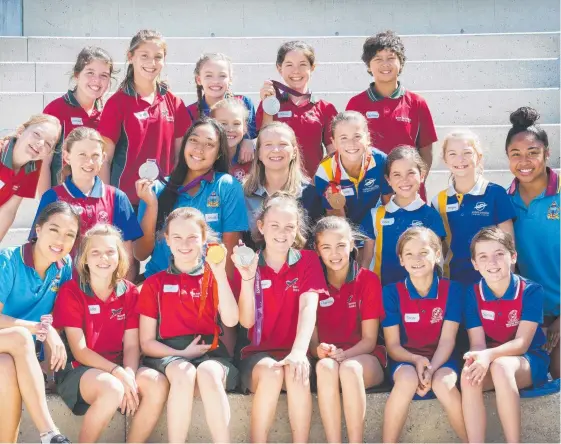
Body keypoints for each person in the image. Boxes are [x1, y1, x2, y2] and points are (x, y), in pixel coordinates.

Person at [52, 224, 167, 443]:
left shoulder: (130, 292)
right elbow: (80, 351)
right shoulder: (71, 291)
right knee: (112, 388)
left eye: (110, 251)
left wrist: (130, 376)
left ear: (119, 256)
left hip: (118, 368)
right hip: (79, 369)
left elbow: (132, 346)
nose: (103, 258)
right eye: (95, 252)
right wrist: (118, 373)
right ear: (84, 258)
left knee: (156, 382)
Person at [137, 207, 239, 443]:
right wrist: (181, 353)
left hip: (210, 354)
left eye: (193, 237)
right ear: (167, 241)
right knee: (183, 374)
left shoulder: (214, 277)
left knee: (207, 372)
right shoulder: (154, 284)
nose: (185, 244)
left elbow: (232, 320)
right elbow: (147, 343)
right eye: (177, 238)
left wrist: (219, 273)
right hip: (167, 355)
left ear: (204, 239)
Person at [234, 193, 327, 442]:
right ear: (262, 227)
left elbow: (309, 308)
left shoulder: (308, 261)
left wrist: (298, 352)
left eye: (289, 227)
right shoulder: (250, 263)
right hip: (255, 356)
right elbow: (246, 321)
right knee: (273, 372)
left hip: (293, 352)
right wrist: (246, 277)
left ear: (297, 229)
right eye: (275, 226)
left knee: (296, 374)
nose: (282, 233)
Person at [0, 201, 79, 443]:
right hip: (16, 339)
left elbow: (58, 317)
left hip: (13, 353)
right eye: (54, 230)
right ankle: (50, 433)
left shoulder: (64, 268)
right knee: (21, 336)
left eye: (69, 235)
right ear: (38, 230)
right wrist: (37, 329)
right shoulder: (8, 259)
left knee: (5, 366)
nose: (60, 240)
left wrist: (51, 331)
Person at [462, 227, 549, 443]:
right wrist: (479, 358)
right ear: (474, 264)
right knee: (468, 374)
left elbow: (521, 344)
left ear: (513, 256)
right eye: (483, 256)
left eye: (499, 254)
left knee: (502, 367)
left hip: (528, 361)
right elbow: (477, 343)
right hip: (491, 359)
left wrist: (488, 356)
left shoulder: (531, 291)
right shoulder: (472, 293)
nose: (492, 262)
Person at [135, 118, 248, 280]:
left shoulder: (227, 186)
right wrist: (152, 205)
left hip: (206, 287)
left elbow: (230, 252)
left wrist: (223, 299)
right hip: (160, 285)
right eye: (193, 140)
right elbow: (140, 253)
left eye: (209, 144)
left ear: (219, 154)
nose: (199, 149)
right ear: (184, 145)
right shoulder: (156, 188)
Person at [382, 227, 467, 443]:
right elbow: (392, 346)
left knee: (444, 384)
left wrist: (431, 369)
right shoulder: (391, 293)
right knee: (407, 379)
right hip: (407, 359)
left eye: (424, 252)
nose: (416, 259)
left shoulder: (453, 290)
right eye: (409, 253)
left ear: (437, 255)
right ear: (401, 260)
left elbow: (448, 339)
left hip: (442, 359)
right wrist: (416, 360)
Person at [312, 216, 385, 443]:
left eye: (341, 245)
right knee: (324, 366)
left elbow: (369, 340)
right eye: (326, 247)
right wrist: (320, 351)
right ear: (317, 250)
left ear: (352, 244)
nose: (335, 254)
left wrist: (344, 355)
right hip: (330, 361)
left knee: (350, 368)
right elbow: (312, 343)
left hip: (364, 357)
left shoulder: (368, 280)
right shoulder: (311, 283)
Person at [31, 127, 142, 277]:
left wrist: (123, 294)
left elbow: (127, 258)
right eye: (82, 154)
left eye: (95, 155)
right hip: (61, 287)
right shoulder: (52, 197)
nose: (89, 162)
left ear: (103, 158)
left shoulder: (117, 198)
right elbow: (37, 248)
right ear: (67, 156)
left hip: (104, 288)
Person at [98, 29, 189, 208]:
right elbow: (104, 159)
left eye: (158, 56)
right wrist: (106, 202)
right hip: (125, 202)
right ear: (130, 57)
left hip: (163, 200)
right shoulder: (116, 103)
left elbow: (180, 158)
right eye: (144, 55)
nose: (151, 62)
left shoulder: (174, 102)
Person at [346, 30, 438, 201]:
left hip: (406, 190)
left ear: (401, 63)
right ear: (368, 66)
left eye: (391, 58)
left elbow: (426, 150)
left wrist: (414, 181)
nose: (385, 64)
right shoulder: (356, 104)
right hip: (369, 189)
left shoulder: (417, 102)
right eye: (378, 59)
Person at [505, 106, 560, 380]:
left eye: (533, 153)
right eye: (516, 154)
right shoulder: (503, 202)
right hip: (531, 313)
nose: (524, 161)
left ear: (547, 153)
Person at [432, 129, 516, 285]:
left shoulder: (496, 193)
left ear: (479, 157)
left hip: (492, 281)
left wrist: (507, 282)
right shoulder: (439, 201)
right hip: (454, 282)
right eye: (452, 154)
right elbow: (440, 248)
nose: (460, 159)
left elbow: (509, 243)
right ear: (445, 160)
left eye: (467, 153)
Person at [361, 146, 445, 285]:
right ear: (388, 180)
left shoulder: (431, 216)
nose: (404, 180)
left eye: (410, 173)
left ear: (422, 175)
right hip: (383, 294)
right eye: (397, 174)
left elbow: (436, 259)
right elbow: (366, 260)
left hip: (419, 295)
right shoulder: (375, 216)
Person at [257, 40, 338, 176]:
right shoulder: (270, 103)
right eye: (289, 65)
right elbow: (264, 141)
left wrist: (325, 177)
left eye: (303, 64)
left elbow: (333, 151)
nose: (296, 71)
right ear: (279, 68)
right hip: (278, 183)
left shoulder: (325, 108)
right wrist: (267, 103)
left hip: (312, 185)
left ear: (312, 67)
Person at [40, 46, 115, 191]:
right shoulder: (55, 109)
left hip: (93, 202)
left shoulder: (107, 113)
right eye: (90, 73)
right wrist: (47, 205)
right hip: (62, 203)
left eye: (104, 75)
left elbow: (105, 162)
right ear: (76, 75)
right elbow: (42, 163)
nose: (96, 81)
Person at [243, 121, 323, 249]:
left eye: (283, 144)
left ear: (294, 152)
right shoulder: (243, 194)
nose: (275, 150)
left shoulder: (311, 195)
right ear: (258, 153)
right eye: (268, 145)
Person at [314, 111, 391, 228]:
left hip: (376, 229)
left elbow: (389, 204)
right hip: (345, 231)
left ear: (368, 138)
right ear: (334, 142)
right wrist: (336, 204)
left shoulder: (381, 161)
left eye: (357, 136)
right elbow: (335, 223)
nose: (351, 143)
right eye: (343, 138)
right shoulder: (325, 171)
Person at [185, 52, 256, 165]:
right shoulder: (190, 112)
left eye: (222, 76)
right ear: (199, 80)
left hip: (242, 171)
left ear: (230, 79)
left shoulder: (244, 103)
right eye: (209, 75)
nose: (216, 81)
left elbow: (254, 134)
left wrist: (248, 140)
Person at [0, 114, 61, 242]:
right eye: (37, 134)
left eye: (48, 144)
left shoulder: (32, 168)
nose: (40, 143)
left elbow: (8, 211)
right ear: (21, 131)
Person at [210, 97, 253, 182]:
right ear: (212, 126)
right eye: (223, 123)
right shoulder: (206, 157)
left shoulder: (252, 156)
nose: (230, 129)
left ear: (244, 128)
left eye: (236, 123)